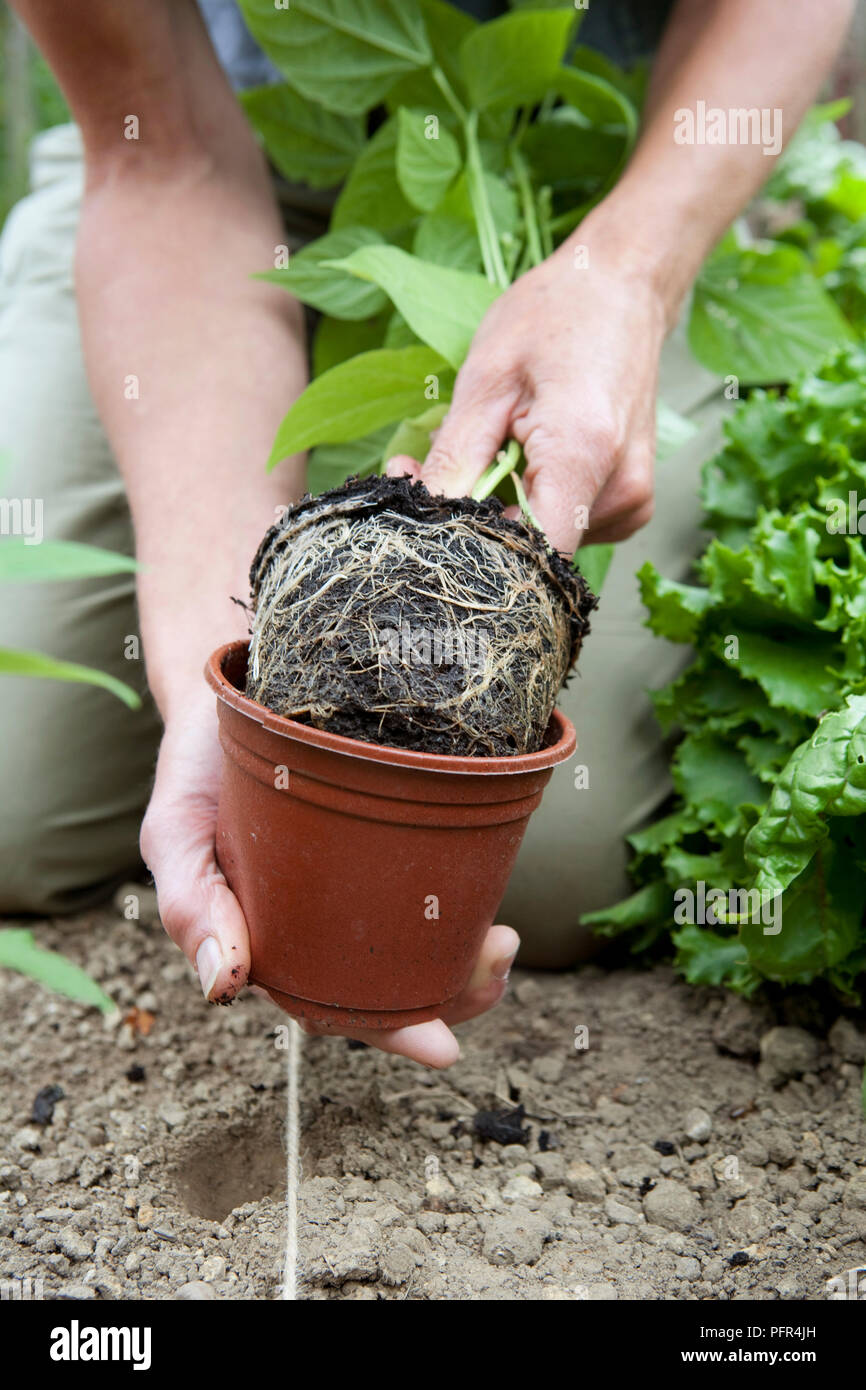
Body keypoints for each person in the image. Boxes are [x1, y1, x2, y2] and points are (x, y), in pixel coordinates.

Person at [0, 0, 854, 1067]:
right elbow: (158, 156)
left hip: (617, 172)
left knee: (546, 875)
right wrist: (219, 693)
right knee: (11, 801)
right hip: (210, 168)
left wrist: (628, 277)